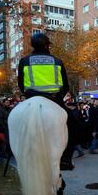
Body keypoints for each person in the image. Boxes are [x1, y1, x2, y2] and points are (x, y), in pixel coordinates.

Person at [17, 33, 73, 170]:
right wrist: (58, 97)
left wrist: (29, 94)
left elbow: (20, 85)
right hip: (54, 100)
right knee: (72, 124)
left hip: (31, 99)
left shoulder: (24, 61)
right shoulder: (57, 61)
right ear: (48, 45)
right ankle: (66, 160)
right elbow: (65, 86)